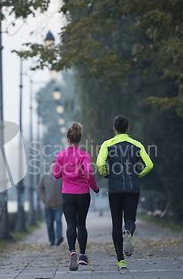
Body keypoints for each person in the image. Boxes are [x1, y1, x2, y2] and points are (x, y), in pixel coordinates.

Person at [96, 115, 153, 269]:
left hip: (115, 188)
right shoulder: (137, 144)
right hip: (132, 188)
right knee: (130, 219)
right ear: (128, 128)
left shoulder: (107, 144)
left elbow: (100, 163)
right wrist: (137, 175)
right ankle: (128, 231)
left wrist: (107, 174)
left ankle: (121, 260)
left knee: (116, 222)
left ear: (114, 128)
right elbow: (149, 165)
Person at [54, 122, 99, 271]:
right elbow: (88, 173)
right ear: (80, 139)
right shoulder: (84, 155)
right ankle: (82, 255)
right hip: (82, 194)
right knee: (81, 224)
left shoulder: (61, 155)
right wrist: (95, 188)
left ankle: (71, 250)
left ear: (68, 139)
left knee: (71, 224)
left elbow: (56, 175)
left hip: (67, 194)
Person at [38, 161, 64, 246]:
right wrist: (44, 199)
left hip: (59, 205)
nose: (54, 169)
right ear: (50, 167)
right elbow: (40, 188)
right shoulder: (45, 177)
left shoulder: (62, 177)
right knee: (49, 224)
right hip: (48, 205)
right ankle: (52, 240)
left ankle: (59, 237)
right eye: (53, 167)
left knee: (58, 220)